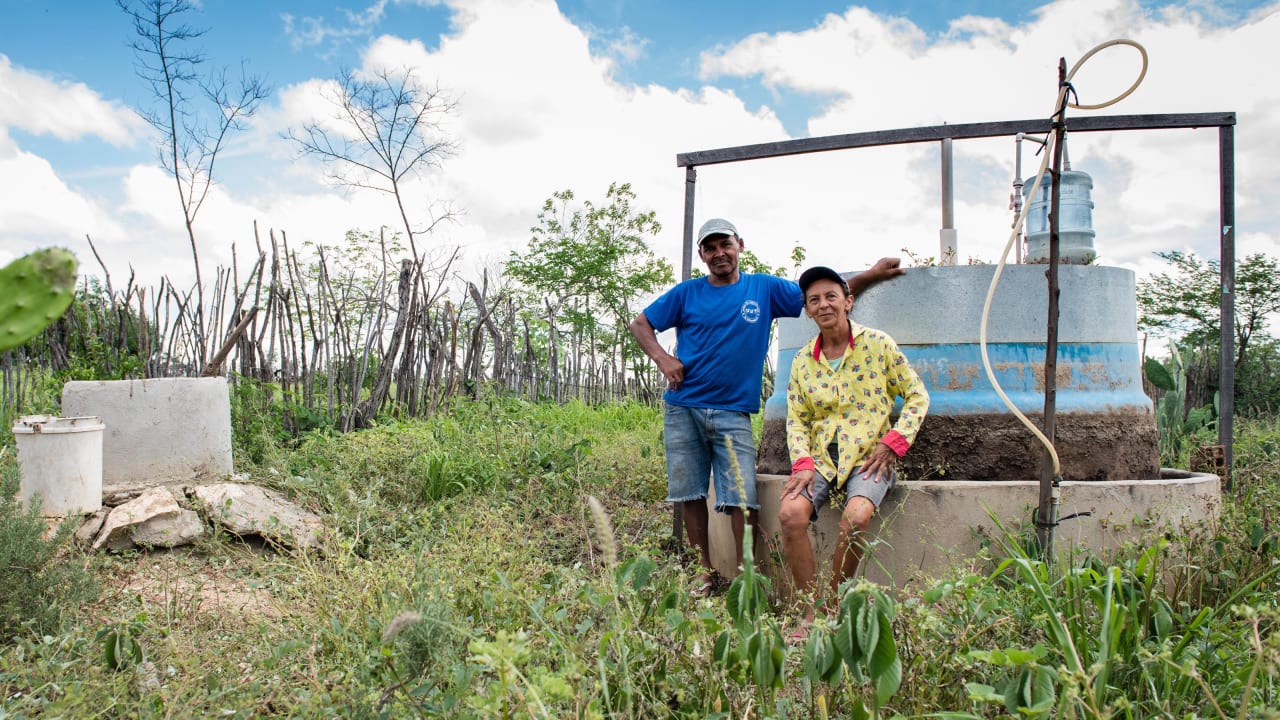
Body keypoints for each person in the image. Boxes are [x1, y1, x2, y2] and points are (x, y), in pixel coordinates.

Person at [628, 219, 903, 596]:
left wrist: (871, 273)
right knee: (690, 494)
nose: (718, 254)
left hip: (733, 412)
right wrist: (662, 359)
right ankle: (703, 573)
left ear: (739, 244)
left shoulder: (764, 288)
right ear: (701, 255)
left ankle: (745, 577)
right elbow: (641, 323)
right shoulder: (686, 293)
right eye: (710, 248)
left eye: (724, 244)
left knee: (741, 497)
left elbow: (822, 297)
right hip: (683, 406)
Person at [779, 265, 928, 639]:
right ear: (809, 310)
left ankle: (834, 603)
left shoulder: (878, 345)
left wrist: (892, 443)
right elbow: (796, 419)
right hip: (820, 460)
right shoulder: (802, 362)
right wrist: (802, 463)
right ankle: (809, 610)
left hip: (869, 457)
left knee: (856, 516)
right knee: (790, 513)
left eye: (831, 296)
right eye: (814, 300)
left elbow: (916, 396)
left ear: (848, 301)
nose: (824, 304)